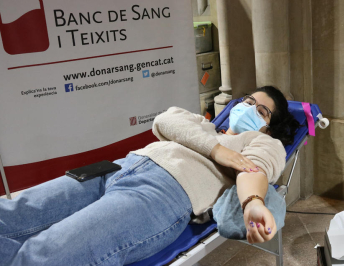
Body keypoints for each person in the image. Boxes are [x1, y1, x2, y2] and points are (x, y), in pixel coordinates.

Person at [0, 85, 299, 266]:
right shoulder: (203, 125)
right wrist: (216, 150)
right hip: (115, 168)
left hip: (163, 193)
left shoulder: (263, 143)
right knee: (9, 213)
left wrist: (253, 202)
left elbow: (253, 171)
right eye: (248, 101)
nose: (249, 109)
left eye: (261, 111)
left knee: (45, 255)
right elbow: (165, 120)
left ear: (269, 127)